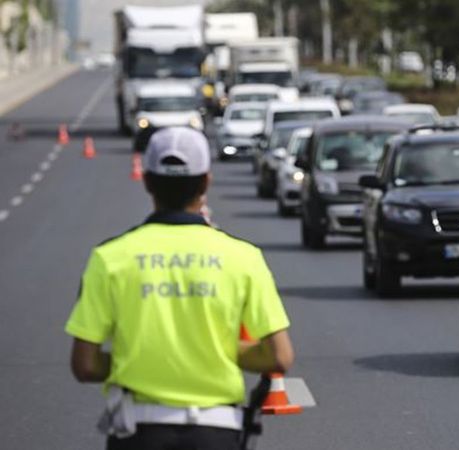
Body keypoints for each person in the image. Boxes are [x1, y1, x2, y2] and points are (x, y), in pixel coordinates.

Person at [65, 126, 294, 450]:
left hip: (139, 432)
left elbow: (85, 365)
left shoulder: (110, 258)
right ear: (206, 182)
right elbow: (279, 357)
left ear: (147, 181)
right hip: (216, 431)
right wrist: (213, 351)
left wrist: (142, 357)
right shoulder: (243, 257)